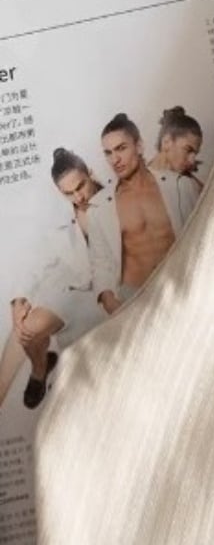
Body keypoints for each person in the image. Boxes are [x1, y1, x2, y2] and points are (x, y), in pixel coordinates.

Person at [0, 149, 106, 411]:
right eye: (68, 193)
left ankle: (40, 368)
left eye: (81, 186)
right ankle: (39, 369)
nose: (78, 197)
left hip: (102, 295)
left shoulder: (118, 198)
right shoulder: (62, 215)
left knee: (31, 327)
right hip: (69, 287)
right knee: (24, 328)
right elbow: (36, 257)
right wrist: (19, 299)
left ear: (91, 173)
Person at [88, 113, 201, 315]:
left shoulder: (180, 186)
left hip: (182, 289)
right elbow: (100, 263)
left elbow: (202, 239)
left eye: (121, 148)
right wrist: (109, 300)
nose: (115, 159)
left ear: (139, 146)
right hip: (134, 298)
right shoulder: (99, 208)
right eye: (108, 153)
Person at [146, 105, 205, 189]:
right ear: (167, 141)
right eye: (188, 150)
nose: (192, 161)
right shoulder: (138, 183)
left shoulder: (194, 186)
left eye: (195, 154)